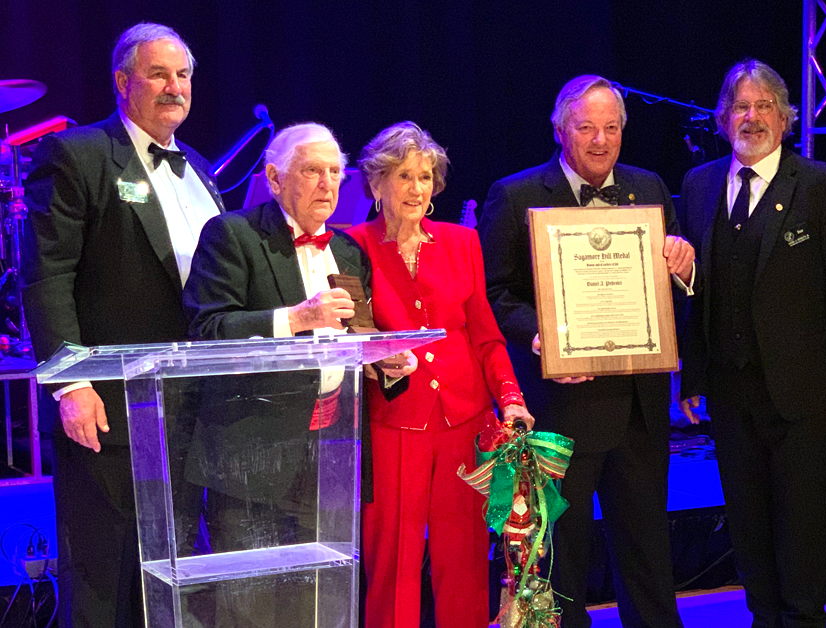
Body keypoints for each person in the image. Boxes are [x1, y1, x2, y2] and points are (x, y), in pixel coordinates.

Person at [19, 23, 223, 627]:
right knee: (104, 572)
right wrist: (71, 383)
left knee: (172, 567)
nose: (174, 87)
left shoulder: (200, 167)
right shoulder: (78, 155)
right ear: (122, 81)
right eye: (159, 73)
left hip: (189, 407)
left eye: (183, 75)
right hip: (108, 404)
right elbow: (46, 277)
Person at [478, 74, 695, 628]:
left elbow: (669, 289)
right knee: (561, 558)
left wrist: (684, 265)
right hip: (560, 407)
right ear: (559, 128)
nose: (600, 140)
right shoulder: (517, 194)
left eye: (611, 127)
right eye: (586, 127)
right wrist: (539, 336)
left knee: (648, 553)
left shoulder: (649, 189)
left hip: (640, 409)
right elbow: (494, 294)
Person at [182, 123, 414, 626]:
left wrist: (384, 363)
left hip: (330, 454)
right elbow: (208, 327)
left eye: (335, 172)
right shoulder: (233, 235)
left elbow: (359, 337)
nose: (328, 183)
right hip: (250, 457)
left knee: (320, 605)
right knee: (252, 608)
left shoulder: (349, 249)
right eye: (312, 170)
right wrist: (297, 318)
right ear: (273, 177)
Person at [676, 59, 826, 628]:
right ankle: (765, 617)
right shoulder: (699, 184)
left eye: (764, 106)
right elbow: (691, 292)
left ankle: (805, 620)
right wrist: (691, 378)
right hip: (729, 392)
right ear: (722, 118)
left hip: (803, 394)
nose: (752, 117)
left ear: (785, 118)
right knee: (748, 522)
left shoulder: (820, 184)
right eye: (740, 106)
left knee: (802, 525)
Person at [346, 121, 534, 628]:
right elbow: (350, 339)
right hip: (392, 426)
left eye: (425, 177)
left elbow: (486, 337)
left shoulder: (461, 243)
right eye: (403, 175)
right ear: (376, 182)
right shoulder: (351, 246)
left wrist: (511, 398)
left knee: (465, 562)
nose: (416, 188)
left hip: (464, 423)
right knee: (393, 564)